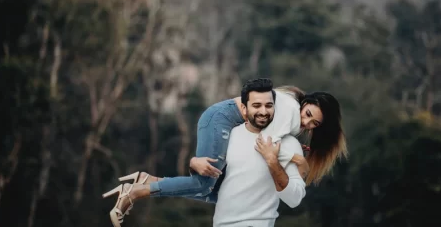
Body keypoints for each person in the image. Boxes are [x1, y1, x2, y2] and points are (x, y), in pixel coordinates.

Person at [101, 78, 347, 226]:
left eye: (314, 125)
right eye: (309, 115)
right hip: (221, 119)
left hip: (218, 118)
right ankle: (136, 192)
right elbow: (265, 143)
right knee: (204, 183)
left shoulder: (291, 111)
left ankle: (150, 181)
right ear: (306, 104)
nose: (307, 124)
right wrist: (296, 159)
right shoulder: (293, 111)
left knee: (220, 192)